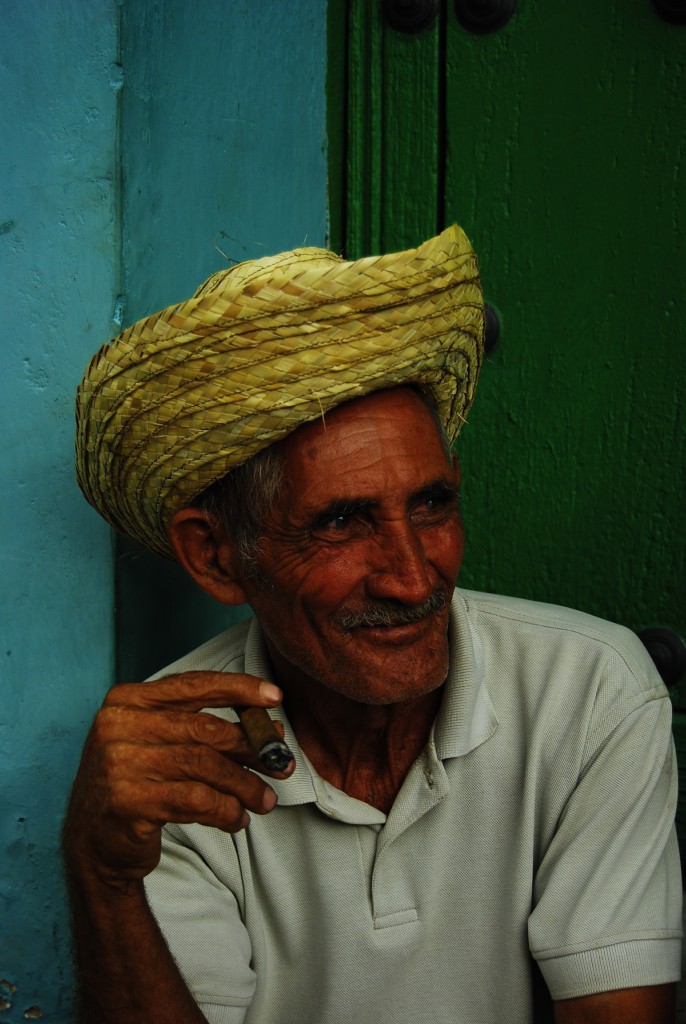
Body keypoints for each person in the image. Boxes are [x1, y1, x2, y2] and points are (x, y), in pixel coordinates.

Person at [64, 226, 681, 1023]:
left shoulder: (588, 688)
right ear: (215, 558)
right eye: (343, 523)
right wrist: (102, 874)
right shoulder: (181, 752)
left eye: (431, 505)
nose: (414, 576)